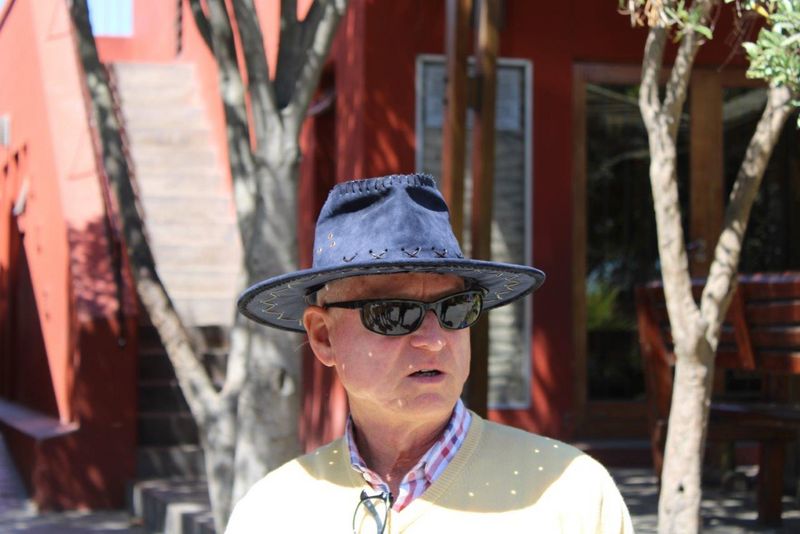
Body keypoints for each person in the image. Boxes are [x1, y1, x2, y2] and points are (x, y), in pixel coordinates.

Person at [228, 174, 633, 533]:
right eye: (393, 314)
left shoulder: (572, 492)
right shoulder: (271, 512)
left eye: (456, 308)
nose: (434, 340)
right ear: (323, 337)